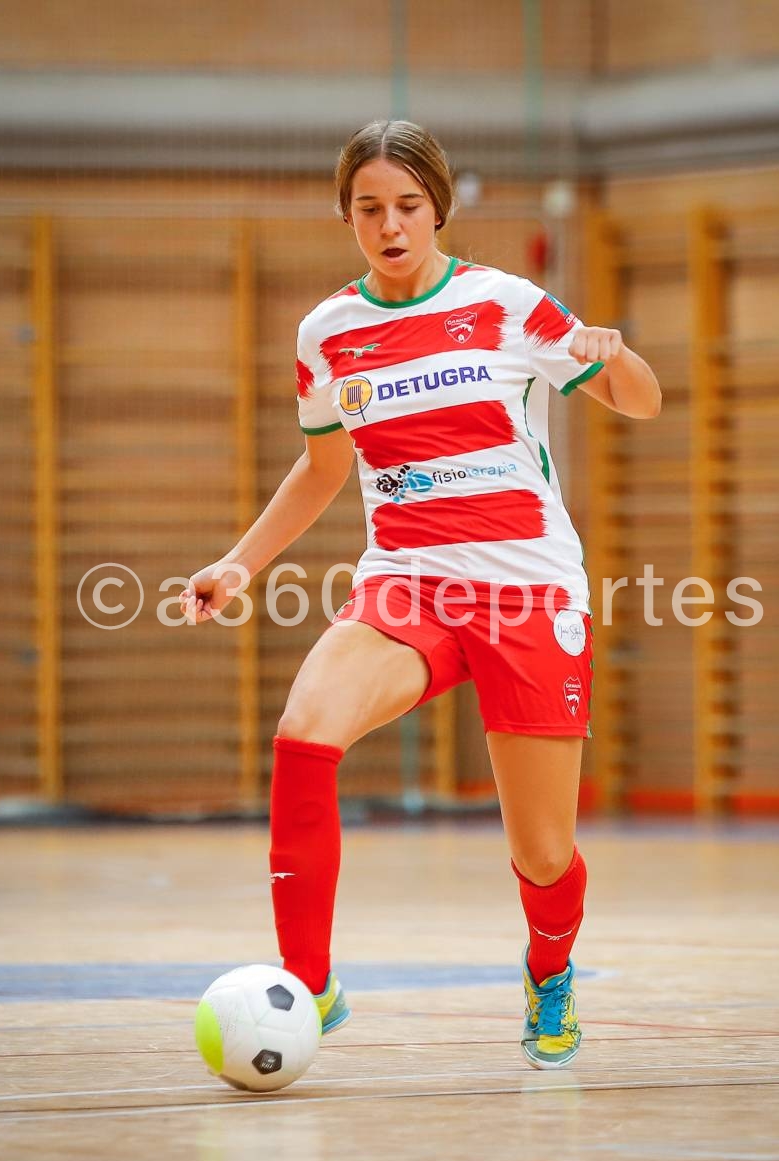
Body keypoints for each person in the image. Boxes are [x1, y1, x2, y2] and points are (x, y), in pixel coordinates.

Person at [181, 120, 661, 1069]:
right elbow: (322, 471)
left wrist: (613, 353)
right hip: (408, 584)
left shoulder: (507, 303)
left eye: (407, 205)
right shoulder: (327, 334)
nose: (390, 226)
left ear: (438, 207)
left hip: (527, 590)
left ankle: (549, 971)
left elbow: (642, 400)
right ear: (346, 216)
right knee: (304, 730)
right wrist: (239, 564)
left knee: (542, 853)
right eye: (369, 209)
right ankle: (309, 986)